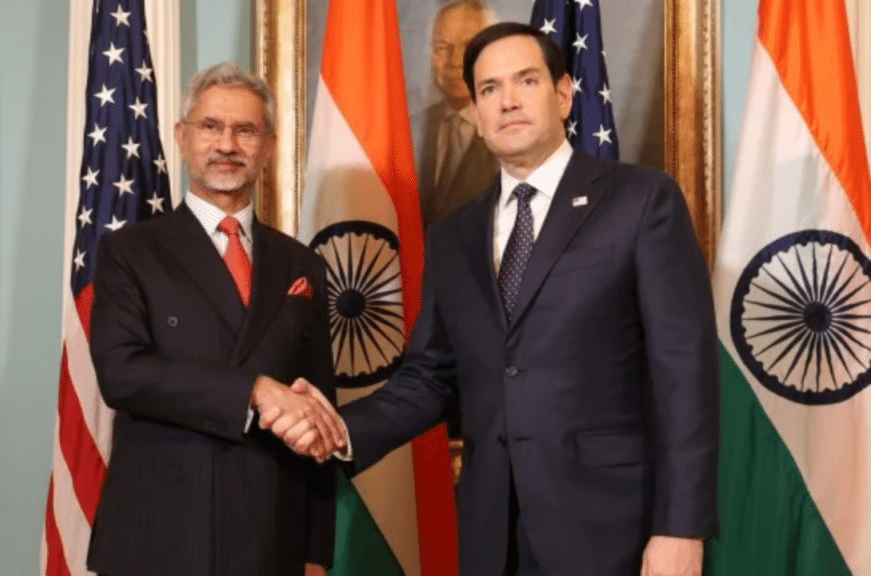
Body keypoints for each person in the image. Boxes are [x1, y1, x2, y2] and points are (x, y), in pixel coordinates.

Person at [278, 23, 720, 576]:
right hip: (492, 531)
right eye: (489, 89)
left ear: (562, 96)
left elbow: (685, 374)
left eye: (526, 81)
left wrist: (681, 527)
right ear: (478, 114)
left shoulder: (640, 201)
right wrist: (341, 429)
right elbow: (429, 379)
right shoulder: (453, 237)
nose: (507, 101)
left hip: (614, 528)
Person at [85, 62, 343, 576]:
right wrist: (254, 390)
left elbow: (318, 409)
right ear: (182, 139)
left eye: (245, 130)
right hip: (160, 535)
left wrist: (316, 551)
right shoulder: (129, 251)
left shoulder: (303, 265)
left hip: (273, 536)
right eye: (211, 127)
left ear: (268, 146)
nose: (227, 143)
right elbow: (122, 374)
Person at [417, 0, 499, 229]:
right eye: (442, 47)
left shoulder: (515, 127)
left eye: (468, 46)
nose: (454, 62)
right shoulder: (409, 129)